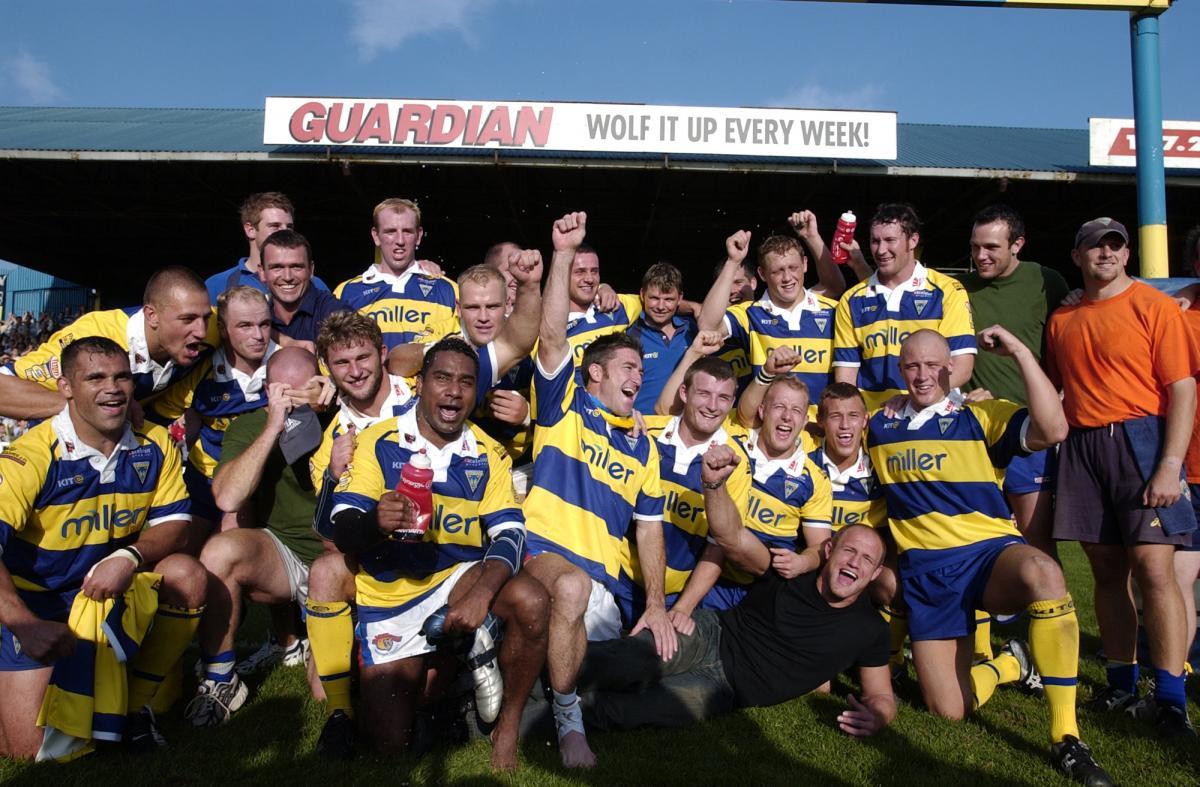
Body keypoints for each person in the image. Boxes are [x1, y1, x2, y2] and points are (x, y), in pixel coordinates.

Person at [868, 328, 1111, 785]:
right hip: (927, 572)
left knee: (1043, 571)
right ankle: (1009, 664)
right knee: (950, 711)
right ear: (901, 371)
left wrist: (1019, 350)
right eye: (912, 366)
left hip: (987, 555)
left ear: (950, 369)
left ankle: (1066, 737)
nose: (922, 375)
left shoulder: (979, 415)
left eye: (932, 365)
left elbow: (1054, 428)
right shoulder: (880, 422)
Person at [564, 447, 896, 738]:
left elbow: (882, 696)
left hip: (723, 690)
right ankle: (526, 679)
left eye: (867, 560)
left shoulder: (869, 629)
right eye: (849, 551)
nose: (855, 562)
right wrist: (714, 483)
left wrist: (878, 717)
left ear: (875, 574)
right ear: (829, 550)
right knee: (619, 663)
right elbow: (731, 536)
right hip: (710, 637)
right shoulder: (788, 569)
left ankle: (530, 719)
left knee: (623, 712)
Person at [329, 337, 549, 772]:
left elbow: (510, 535)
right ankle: (457, 664)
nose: (453, 391)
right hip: (390, 598)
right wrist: (375, 521)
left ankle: (507, 728)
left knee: (533, 600)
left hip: (455, 578)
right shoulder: (379, 441)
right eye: (443, 378)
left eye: (466, 382)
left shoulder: (489, 454)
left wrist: (481, 595)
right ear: (421, 385)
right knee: (390, 746)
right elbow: (342, 528)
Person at [0, 337, 208, 758]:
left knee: (187, 573)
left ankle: (134, 707)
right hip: (37, 604)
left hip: (107, 592)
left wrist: (128, 557)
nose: (112, 388)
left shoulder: (154, 443)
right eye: (95, 377)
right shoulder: (32, 456)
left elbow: (175, 525)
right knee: (28, 753)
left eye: (122, 377)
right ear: (66, 388)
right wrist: (24, 623)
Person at [520, 211, 671, 769]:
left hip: (606, 591)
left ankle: (523, 676)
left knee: (637, 666)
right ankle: (567, 723)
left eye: (640, 369)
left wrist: (655, 605)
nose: (638, 377)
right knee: (571, 590)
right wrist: (562, 253)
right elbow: (553, 335)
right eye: (628, 367)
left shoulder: (643, 447)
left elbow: (649, 531)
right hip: (543, 559)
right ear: (594, 377)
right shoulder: (564, 407)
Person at [1044, 217, 1198, 739]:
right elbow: (1060, 389)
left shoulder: (1154, 307)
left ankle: (1172, 698)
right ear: (1077, 255)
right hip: (1084, 445)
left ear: (1128, 254)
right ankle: (1120, 682)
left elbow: (1181, 390)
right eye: (1095, 246)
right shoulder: (1063, 319)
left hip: (1141, 440)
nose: (1106, 254)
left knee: (1155, 571)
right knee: (1106, 570)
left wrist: (1170, 465)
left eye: (1116, 245)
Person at [183, 347, 331, 728]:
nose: (296, 401)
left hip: (337, 560)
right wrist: (273, 426)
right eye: (286, 392)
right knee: (220, 549)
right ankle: (221, 679)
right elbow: (228, 497)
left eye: (305, 391)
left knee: (324, 693)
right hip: (286, 554)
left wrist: (329, 406)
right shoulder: (249, 426)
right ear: (268, 390)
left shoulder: (339, 415)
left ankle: (311, 636)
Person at [304, 311, 416, 757]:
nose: (355, 371)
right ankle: (338, 718)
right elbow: (329, 536)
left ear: (383, 353)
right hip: (372, 561)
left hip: (437, 552)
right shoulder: (332, 441)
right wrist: (334, 475)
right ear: (326, 369)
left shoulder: (422, 394)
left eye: (363, 357)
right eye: (342, 363)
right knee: (326, 570)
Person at [957, 205, 1068, 556]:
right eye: (975, 247)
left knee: (1037, 541)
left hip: (1031, 431)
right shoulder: (957, 288)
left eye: (991, 247)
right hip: (977, 432)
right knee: (977, 538)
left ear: (1017, 244)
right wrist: (960, 394)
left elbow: (1067, 343)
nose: (980, 256)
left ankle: (1048, 610)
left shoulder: (1046, 281)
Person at [147, 286, 277, 544]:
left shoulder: (287, 364)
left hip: (255, 485)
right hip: (202, 479)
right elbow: (156, 417)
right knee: (177, 554)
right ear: (222, 328)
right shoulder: (198, 373)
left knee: (225, 548)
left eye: (265, 324)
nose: (259, 335)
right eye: (245, 326)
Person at [0, 266, 214, 420]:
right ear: (152, 316)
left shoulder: (216, 327)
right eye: (187, 319)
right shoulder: (93, 342)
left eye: (205, 318)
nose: (201, 331)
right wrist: (93, 408)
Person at [639, 356, 750, 619]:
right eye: (704, 394)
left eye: (723, 398)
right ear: (685, 393)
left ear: (732, 403)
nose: (713, 406)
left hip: (673, 597)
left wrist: (682, 609)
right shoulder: (644, 431)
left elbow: (719, 544)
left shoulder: (736, 461)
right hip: (618, 576)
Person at [833, 203, 976, 408]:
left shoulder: (947, 290)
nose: (881, 250)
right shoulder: (851, 299)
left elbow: (962, 367)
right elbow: (845, 378)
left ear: (913, 240)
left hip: (932, 413)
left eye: (890, 240)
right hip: (875, 419)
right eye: (875, 241)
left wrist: (911, 401)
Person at [700, 230, 837, 409]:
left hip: (820, 431)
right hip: (771, 430)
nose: (787, 278)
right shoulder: (749, 314)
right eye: (777, 271)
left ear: (804, 264)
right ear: (762, 274)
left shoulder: (833, 310)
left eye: (793, 268)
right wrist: (733, 262)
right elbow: (707, 326)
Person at [333, 198, 457, 351]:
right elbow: (330, 352)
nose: (400, 240)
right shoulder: (346, 292)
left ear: (418, 236)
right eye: (390, 232)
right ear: (376, 236)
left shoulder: (449, 290)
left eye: (407, 231)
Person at [204, 192, 330, 303]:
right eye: (275, 226)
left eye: (289, 227)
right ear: (250, 230)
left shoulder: (314, 283)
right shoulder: (218, 284)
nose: (284, 232)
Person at [629, 263, 698, 414]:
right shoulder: (630, 334)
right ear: (642, 295)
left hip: (685, 427)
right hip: (645, 427)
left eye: (668, 299)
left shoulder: (693, 329)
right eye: (654, 298)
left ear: (680, 298)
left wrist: (697, 308)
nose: (661, 306)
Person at [262, 230, 350, 345]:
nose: (287, 277)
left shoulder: (335, 313)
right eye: (277, 267)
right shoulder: (256, 315)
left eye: (296, 267)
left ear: (311, 270)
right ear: (262, 272)